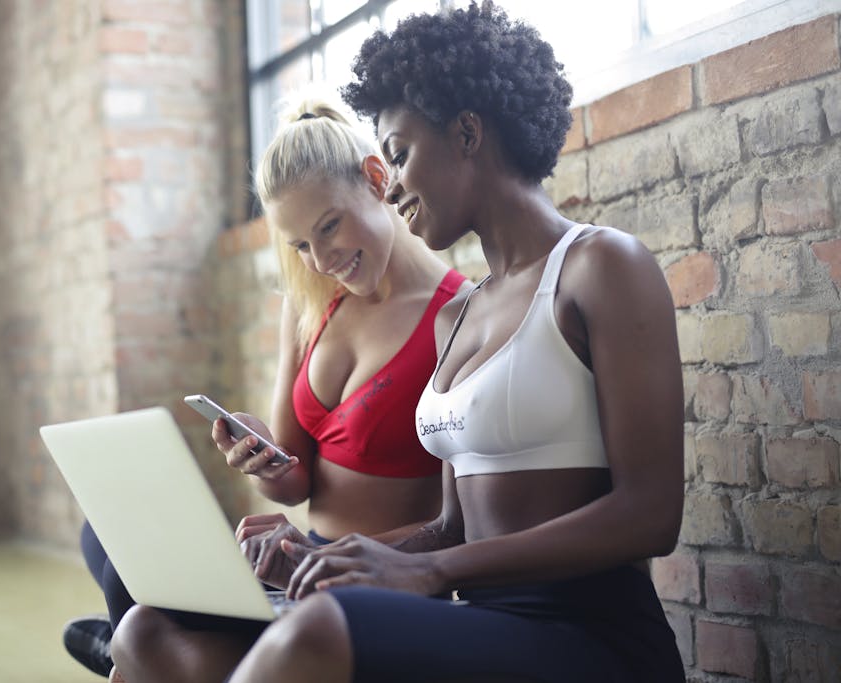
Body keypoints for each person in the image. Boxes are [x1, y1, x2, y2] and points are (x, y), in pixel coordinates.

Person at [111, 3, 687, 682]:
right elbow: (451, 523)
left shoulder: (602, 266)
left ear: (468, 133)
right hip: (475, 617)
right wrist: (327, 554)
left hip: (588, 633)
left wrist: (428, 568)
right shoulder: (462, 317)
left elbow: (651, 515)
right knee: (147, 629)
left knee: (319, 628)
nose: (396, 186)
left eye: (401, 154)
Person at [62, 96, 467, 678]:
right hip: (294, 566)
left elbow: (457, 525)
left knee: (140, 624)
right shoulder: (311, 305)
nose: (322, 260)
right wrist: (265, 459)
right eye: (301, 244)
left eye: (329, 226)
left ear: (378, 178)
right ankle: (140, 651)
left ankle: (129, 660)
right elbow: (295, 479)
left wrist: (318, 556)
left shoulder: (457, 317)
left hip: (371, 579)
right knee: (108, 540)